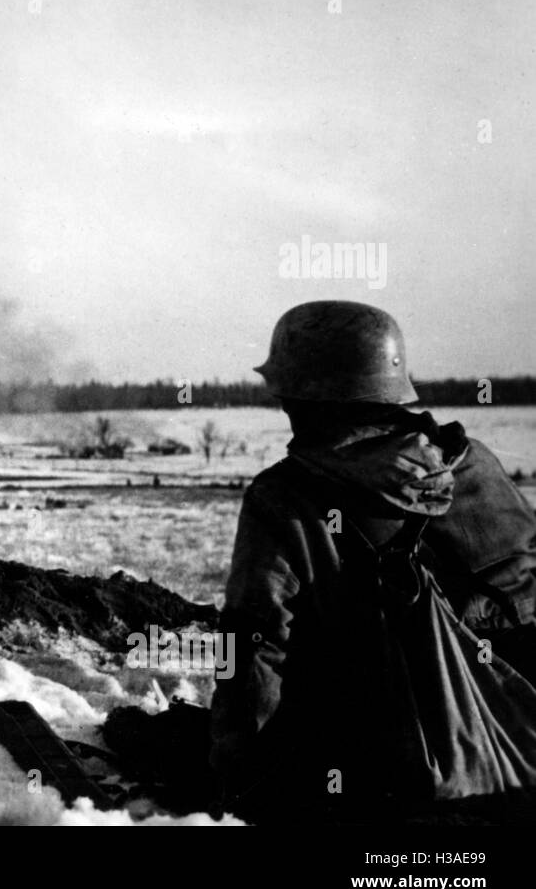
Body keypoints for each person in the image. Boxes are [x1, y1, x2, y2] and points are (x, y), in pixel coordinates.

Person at [210, 300, 536, 822]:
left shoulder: (285, 496)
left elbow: (254, 645)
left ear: (304, 398)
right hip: (522, 743)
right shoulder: (474, 462)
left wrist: (240, 781)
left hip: (399, 770)